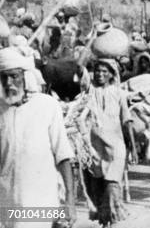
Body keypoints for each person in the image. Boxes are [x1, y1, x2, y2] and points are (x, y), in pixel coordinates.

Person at [0, 47, 76, 228]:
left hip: (41, 201)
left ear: (25, 77)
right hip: (7, 201)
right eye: (3, 77)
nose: (9, 83)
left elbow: (63, 156)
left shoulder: (47, 106)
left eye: (14, 76)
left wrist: (70, 202)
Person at [84, 59, 137, 228]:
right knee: (96, 185)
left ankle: (112, 222)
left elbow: (127, 121)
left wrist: (134, 148)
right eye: (98, 71)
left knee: (112, 184)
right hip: (94, 147)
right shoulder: (89, 91)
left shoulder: (120, 93)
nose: (100, 74)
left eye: (105, 72)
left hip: (115, 147)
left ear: (111, 75)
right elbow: (79, 67)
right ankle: (104, 221)